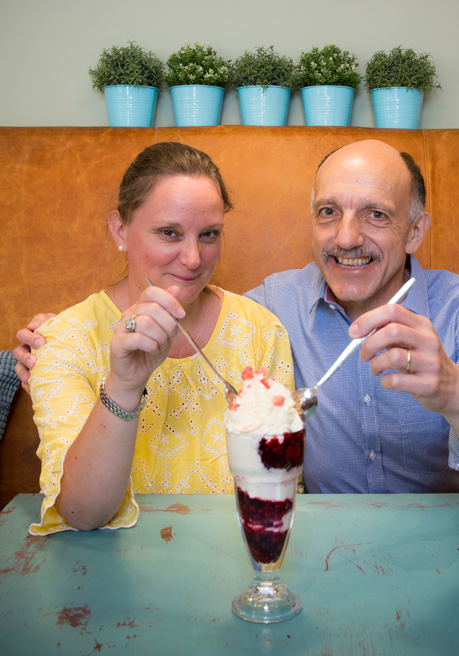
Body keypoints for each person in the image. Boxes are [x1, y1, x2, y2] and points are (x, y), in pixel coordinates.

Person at [15, 140, 459, 498]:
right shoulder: (271, 308)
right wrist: (56, 338)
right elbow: (190, 301)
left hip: (441, 549)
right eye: (329, 213)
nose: (347, 237)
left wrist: (455, 390)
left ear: (415, 231)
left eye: (376, 214)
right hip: (316, 548)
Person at [21, 142, 295, 536]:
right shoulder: (64, 341)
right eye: (169, 232)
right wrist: (123, 385)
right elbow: (83, 513)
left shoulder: (260, 331)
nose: (193, 258)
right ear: (120, 230)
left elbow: (280, 483)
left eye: (209, 234)